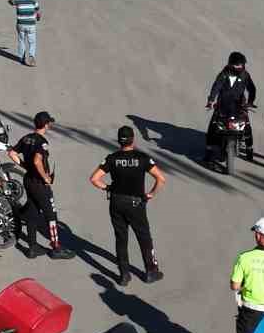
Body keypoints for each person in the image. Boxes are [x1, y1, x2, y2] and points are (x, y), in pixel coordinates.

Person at [90, 125, 167, 285]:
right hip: (136, 203)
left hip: (116, 201)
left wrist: (108, 187)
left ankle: (124, 275)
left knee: (121, 238)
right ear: (133, 139)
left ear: (119, 141)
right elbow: (160, 178)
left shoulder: (112, 158)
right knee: (144, 237)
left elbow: (94, 179)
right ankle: (151, 271)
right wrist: (151, 194)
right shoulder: (142, 158)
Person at [12, 111, 73, 260]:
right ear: (46, 124)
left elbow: (12, 153)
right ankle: (56, 247)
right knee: (51, 215)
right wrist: (45, 177)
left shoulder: (26, 138)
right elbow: (37, 161)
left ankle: (32, 247)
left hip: (28, 180)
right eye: (49, 122)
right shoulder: (42, 142)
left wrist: (25, 166)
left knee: (32, 213)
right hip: (39, 184)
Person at [205, 51, 257, 166]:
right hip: (222, 104)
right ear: (230, 64)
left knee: (247, 125)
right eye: (237, 65)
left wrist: (250, 102)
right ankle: (209, 151)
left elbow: (252, 88)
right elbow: (216, 87)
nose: (240, 67)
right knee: (213, 125)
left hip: (239, 104)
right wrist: (211, 100)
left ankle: (249, 149)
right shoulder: (223, 74)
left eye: (242, 64)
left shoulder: (245, 75)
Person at [8, 0, 41, 66]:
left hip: (21, 24)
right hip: (31, 24)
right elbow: (37, 10)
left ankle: (22, 58)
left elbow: (9, 1)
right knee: (32, 41)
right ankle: (31, 56)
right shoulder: (33, 0)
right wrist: (38, 17)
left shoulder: (18, 0)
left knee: (21, 40)